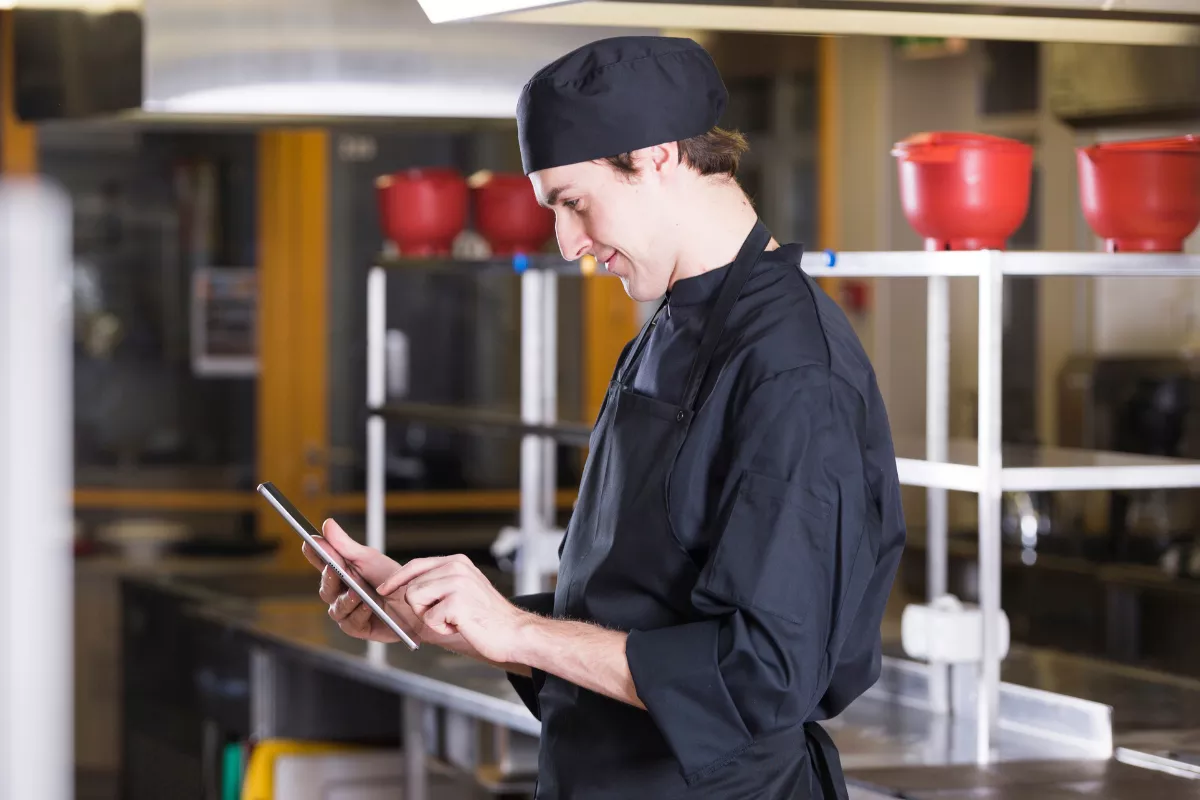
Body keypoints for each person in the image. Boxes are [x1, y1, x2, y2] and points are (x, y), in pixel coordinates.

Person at [304, 35, 906, 799]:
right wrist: (447, 616)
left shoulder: (792, 368)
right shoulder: (666, 329)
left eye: (574, 201)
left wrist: (519, 630)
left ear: (656, 155)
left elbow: (763, 676)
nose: (568, 241)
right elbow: (631, 619)